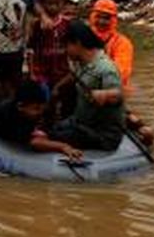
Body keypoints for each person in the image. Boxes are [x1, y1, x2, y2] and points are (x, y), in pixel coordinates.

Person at [44, 20, 126, 152]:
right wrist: (57, 87)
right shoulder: (82, 63)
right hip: (80, 122)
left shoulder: (105, 69)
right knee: (46, 130)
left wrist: (104, 94)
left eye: (67, 46)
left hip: (101, 135)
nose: (65, 51)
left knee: (49, 137)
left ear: (77, 43)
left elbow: (119, 95)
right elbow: (74, 75)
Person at [88, 0, 154, 146]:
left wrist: (103, 92)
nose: (101, 22)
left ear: (113, 20)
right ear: (93, 16)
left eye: (106, 18)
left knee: (140, 128)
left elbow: (120, 73)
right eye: (99, 16)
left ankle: (141, 129)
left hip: (112, 95)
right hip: (86, 90)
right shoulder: (84, 37)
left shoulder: (123, 43)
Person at [28, 0, 72, 88]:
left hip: (63, 75)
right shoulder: (36, 25)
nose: (54, 7)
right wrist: (32, 72)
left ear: (63, 2)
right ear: (42, 4)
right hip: (41, 75)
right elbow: (31, 50)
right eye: (50, 3)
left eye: (57, 3)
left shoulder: (68, 24)